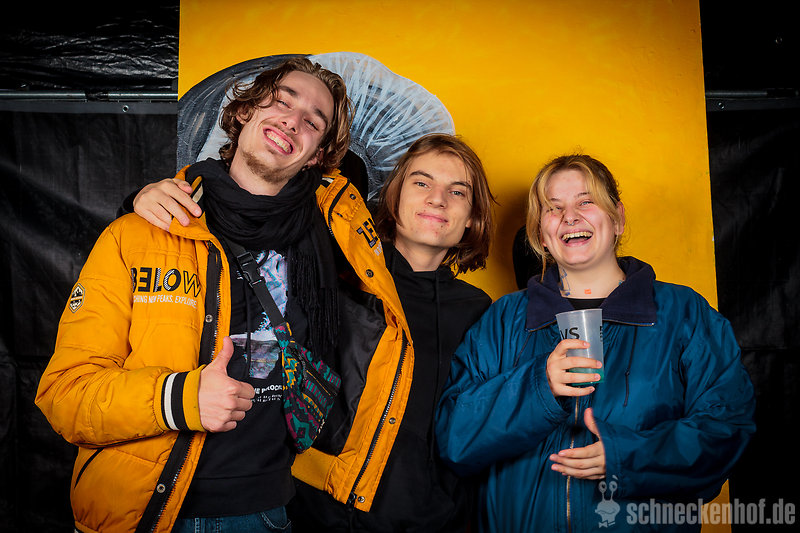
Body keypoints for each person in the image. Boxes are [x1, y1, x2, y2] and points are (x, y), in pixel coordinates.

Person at [35, 56, 408, 533]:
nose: (293, 121)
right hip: (139, 511)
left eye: (314, 122)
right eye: (282, 101)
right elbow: (65, 395)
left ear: (317, 155)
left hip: (265, 511)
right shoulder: (138, 233)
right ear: (245, 111)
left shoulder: (333, 243)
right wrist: (180, 398)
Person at [132, 133, 497, 531]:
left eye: (457, 191)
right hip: (311, 510)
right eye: (422, 182)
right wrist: (146, 199)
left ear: (472, 216)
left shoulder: (480, 312)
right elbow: (242, 220)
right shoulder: (329, 267)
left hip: (425, 519)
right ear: (393, 198)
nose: (437, 199)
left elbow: (476, 426)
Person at [435, 154, 756, 532]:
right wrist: (537, 386)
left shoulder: (685, 314)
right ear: (541, 234)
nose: (570, 217)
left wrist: (628, 457)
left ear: (617, 218)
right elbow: (454, 439)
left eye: (586, 202)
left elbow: (726, 430)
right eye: (553, 208)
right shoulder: (502, 320)